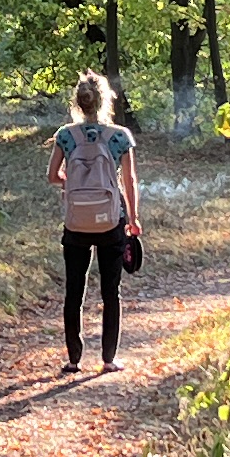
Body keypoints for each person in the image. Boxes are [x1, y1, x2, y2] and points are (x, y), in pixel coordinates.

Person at [49, 71, 140, 373]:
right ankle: (108, 359)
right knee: (110, 291)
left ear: (77, 101)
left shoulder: (65, 135)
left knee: (74, 290)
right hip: (110, 222)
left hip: (75, 223)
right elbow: (129, 181)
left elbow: (52, 176)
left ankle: (74, 359)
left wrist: (72, 184)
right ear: (105, 100)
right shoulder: (119, 136)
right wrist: (134, 219)